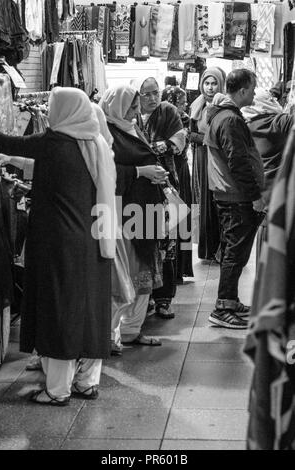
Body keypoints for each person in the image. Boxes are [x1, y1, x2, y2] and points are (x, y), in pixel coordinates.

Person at [0, 87, 116, 405]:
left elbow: (7, 141)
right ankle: (87, 382)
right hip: (93, 240)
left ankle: (57, 390)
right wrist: (14, 160)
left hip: (58, 243)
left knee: (57, 310)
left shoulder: (54, 142)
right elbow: (51, 169)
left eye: (53, 106)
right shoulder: (94, 142)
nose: (48, 111)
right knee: (89, 309)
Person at [100, 84, 168, 350]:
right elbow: (106, 171)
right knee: (125, 274)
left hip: (145, 209)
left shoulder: (130, 127)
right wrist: (141, 172)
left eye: (136, 106)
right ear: (117, 105)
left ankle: (131, 330)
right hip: (124, 213)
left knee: (145, 273)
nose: (135, 111)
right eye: (131, 106)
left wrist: (155, 173)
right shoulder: (105, 132)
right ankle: (109, 334)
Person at [204, 69, 265, 329]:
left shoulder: (225, 115)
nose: (254, 92)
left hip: (231, 193)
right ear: (241, 91)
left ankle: (230, 301)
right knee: (234, 252)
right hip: (235, 195)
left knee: (235, 251)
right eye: (252, 88)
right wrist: (255, 197)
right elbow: (238, 161)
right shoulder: (229, 119)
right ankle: (223, 306)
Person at [135, 76, 186, 319]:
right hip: (137, 189)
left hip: (165, 186)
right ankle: (143, 299)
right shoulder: (130, 112)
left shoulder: (168, 111)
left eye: (156, 92)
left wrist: (165, 144)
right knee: (145, 241)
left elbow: (180, 138)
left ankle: (164, 298)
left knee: (167, 242)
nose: (153, 98)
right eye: (147, 94)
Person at [241, 87, 294, 262]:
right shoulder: (277, 122)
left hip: (258, 188)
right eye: (271, 100)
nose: (275, 102)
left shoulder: (245, 124)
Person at [189, 67, 226, 261]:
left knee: (217, 201)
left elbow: (222, 137)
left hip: (218, 159)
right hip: (202, 159)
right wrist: (200, 138)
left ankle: (221, 249)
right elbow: (190, 133)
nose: (210, 88)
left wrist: (199, 138)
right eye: (207, 83)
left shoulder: (225, 106)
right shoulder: (198, 105)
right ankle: (207, 249)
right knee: (203, 201)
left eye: (214, 83)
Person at [161, 85, 193, 283]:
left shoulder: (184, 120)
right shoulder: (160, 120)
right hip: (170, 175)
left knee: (182, 219)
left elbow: (177, 149)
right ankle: (172, 271)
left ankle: (180, 269)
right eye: (181, 103)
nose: (185, 106)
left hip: (180, 172)